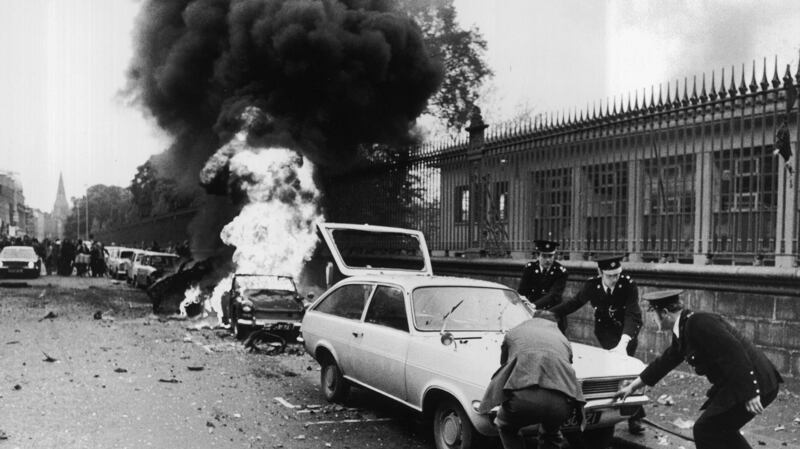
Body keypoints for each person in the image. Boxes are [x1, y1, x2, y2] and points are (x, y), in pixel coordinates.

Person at [614, 290, 783, 449]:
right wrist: (632, 387)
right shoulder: (684, 329)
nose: (651, 318)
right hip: (744, 383)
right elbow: (664, 362)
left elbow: (735, 352)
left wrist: (750, 393)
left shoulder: (698, 323)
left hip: (756, 383)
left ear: (664, 313)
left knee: (705, 430)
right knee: (718, 429)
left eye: (652, 312)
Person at [549, 254, 645, 434]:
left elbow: (633, 313)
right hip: (606, 333)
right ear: (600, 272)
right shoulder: (592, 285)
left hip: (626, 333)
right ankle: (632, 416)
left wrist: (624, 342)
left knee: (627, 373)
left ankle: (633, 413)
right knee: (618, 371)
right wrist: (545, 313)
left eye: (617, 274)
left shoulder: (628, 284)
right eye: (610, 276)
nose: (614, 279)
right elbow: (573, 304)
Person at [478, 312, 584, 449]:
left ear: (533, 319)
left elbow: (504, 363)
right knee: (551, 433)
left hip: (523, 400)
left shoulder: (514, 332)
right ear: (554, 324)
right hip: (562, 403)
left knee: (506, 427)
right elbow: (566, 366)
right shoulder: (563, 339)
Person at [517, 239, 568, 333]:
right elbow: (522, 291)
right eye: (544, 256)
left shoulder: (560, 271)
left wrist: (534, 305)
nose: (548, 260)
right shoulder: (530, 268)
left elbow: (554, 295)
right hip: (533, 314)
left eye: (550, 256)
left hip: (552, 314)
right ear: (538, 256)